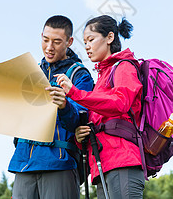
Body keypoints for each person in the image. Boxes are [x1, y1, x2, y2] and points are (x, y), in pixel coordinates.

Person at [0, 15, 94, 199]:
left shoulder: (79, 75)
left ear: (69, 41)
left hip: (60, 163)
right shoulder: (29, 72)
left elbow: (81, 121)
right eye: (45, 40)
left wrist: (64, 105)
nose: (49, 47)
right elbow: (4, 101)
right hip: (23, 162)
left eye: (57, 42)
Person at [53, 15, 145, 199]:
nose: (86, 46)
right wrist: (81, 137)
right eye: (85, 41)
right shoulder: (103, 77)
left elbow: (120, 103)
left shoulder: (124, 67)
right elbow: (99, 122)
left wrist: (74, 92)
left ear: (110, 38)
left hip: (122, 161)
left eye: (91, 39)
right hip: (103, 165)